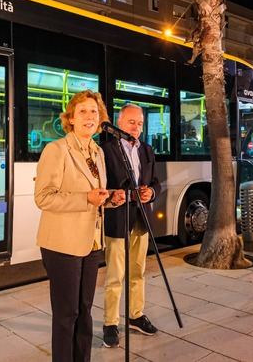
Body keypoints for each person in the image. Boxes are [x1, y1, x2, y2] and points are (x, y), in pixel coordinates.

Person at [35, 90, 125, 362]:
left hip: (91, 242)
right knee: (66, 315)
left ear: (101, 120)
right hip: (62, 244)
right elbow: (43, 197)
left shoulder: (97, 152)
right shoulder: (57, 150)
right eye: (83, 111)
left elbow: (94, 198)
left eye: (94, 112)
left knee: (85, 310)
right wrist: (85, 198)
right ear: (71, 118)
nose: (89, 116)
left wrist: (110, 199)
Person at [101, 103, 162, 348]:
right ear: (119, 122)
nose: (136, 128)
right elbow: (101, 185)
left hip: (141, 220)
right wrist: (116, 194)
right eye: (131, 122)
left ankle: (135, 315)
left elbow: (157, 182)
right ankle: (110, 323)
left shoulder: (147, 150)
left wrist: (152, 193)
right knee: (115, 275)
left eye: (140, 123)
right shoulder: (106, 150)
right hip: (118, 219)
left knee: (138, 273)